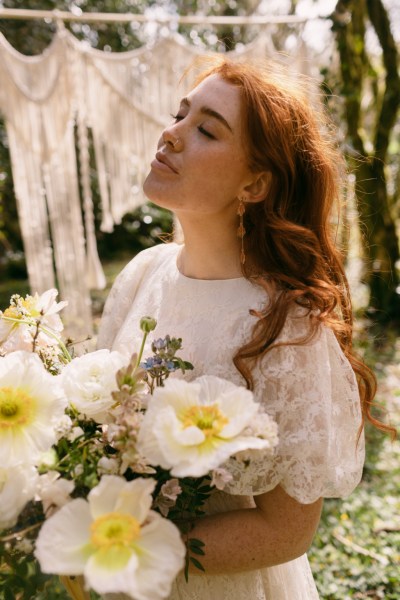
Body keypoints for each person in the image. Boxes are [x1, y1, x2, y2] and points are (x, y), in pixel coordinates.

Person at [97, 57, 387, 600]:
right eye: (181, 115)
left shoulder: (284, 322)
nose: (172, 134)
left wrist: (138, 554)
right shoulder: (142, 273)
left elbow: (286, 531)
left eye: (206, 129)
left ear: (255, 182)